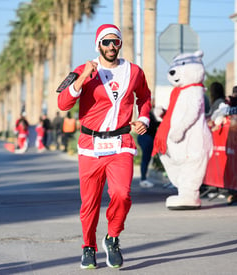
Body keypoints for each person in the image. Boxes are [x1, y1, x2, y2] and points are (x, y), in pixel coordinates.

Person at [57, 23, 151, 269]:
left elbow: (145, 97)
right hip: (90, 145)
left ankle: (113, 236)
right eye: (107, 42)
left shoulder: (134, 71)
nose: (111, 46)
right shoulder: (84, 70)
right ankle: (88, 247)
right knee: (90, 203)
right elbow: (63, 103)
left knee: (122, 194)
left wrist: (143, 118)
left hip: (121, 143)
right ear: (98, 44)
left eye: (116, 42)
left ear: (120, 44)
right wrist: (80, 80)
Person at [137, 108, 160, 188]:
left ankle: (143, 179)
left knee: (146, 159)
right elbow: (152, 126)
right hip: (147, 138)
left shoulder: (148, 114)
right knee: (146, 159)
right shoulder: (150, 115)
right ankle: (143, 180)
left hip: (144, 137)